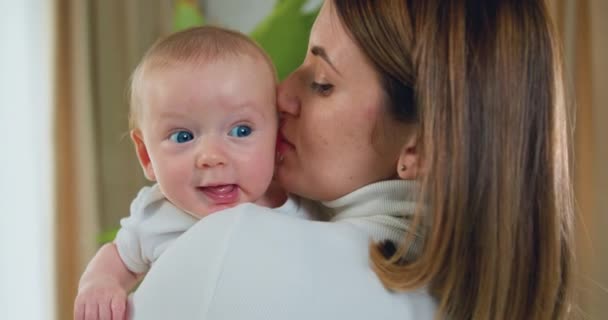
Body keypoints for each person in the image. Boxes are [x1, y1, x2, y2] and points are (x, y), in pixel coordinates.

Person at [128, 0, 576, 319]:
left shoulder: (233, 252)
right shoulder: (484, 295)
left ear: (421, 146)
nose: (281, 94)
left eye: (322, 82)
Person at [73, 26, 297, 320]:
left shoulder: (296, 203)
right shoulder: (156, 216)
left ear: (278, 136)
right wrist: (100, 282)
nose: (211, 157)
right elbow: (119, 257)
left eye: (241, 130)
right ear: (146, 155)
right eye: (182, 136)